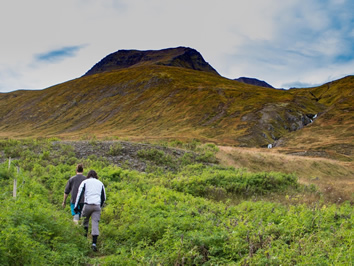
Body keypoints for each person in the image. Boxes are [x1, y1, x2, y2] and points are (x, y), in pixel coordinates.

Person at [74, 170, 106, 252]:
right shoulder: (100, 183)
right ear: (96, 175)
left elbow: (79, 194)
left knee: (85, 222)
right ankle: (94, 243)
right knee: (95, 224)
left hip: (87, 205)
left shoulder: (85, 182)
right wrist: (100, 205)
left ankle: (84, 240)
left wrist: (76, 206)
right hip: (97, 206)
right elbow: (103, 197)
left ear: (88, 175)